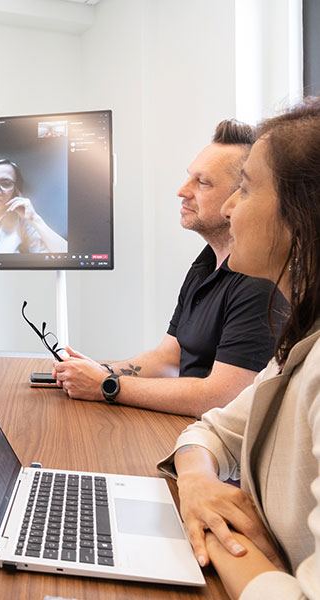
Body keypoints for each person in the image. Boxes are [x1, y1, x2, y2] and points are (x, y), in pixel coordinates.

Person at [157, 98, 320, 599]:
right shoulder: (300, 342)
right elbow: (210, 433)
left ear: (303, 215)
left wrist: (219, 532)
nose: (229, 208)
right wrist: (201, 487)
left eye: (245, 189)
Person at [52, 120, 282, 417]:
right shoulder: (205, 264)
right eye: (190, 177)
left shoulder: (260, 283)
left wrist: (106, 385)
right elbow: (167, 359)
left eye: (203, 182)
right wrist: (97, 371)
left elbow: (222, 396)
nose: (182, 191)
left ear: (241, 197)